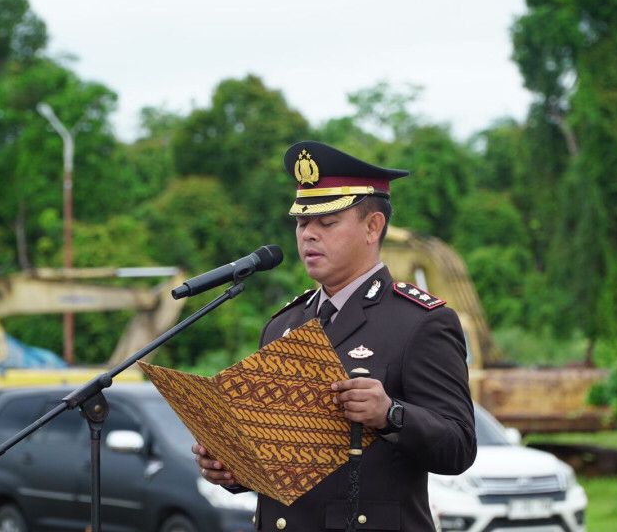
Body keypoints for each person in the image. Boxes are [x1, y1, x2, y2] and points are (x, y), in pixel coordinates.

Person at [194, 140, 476, 530]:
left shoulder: (420, 322)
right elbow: (281, 459)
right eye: (301, 222)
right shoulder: (282, 325)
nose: (308, 234)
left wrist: (391, 414)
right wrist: (232, 469)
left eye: (326, 223)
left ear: (372, 226)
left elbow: (459, 447)